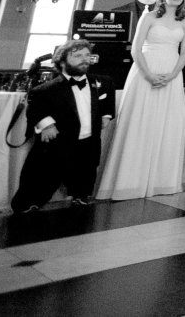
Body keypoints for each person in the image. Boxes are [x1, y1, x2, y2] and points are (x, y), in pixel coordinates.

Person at [97, 0, 185, 200]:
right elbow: (136, 49)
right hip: (145, 70)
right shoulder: (148, 17)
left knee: (167, 124)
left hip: (172, 73)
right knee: (140, 121)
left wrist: (174, 73)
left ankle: (161, 181)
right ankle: (127, 183)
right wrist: (148, 74)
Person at [11, 40, 116, 213]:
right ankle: (27, 205)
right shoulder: (45, 90)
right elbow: (36, 108)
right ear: (61, 61)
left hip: (88, 142)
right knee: (42, 175)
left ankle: (81, 197)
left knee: (86, 172)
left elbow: (108, 101)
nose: (85, 59)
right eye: (77, 56)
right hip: (59, 144)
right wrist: (46, 125)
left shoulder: (103, 82)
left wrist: (106, 116)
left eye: (87, 55)